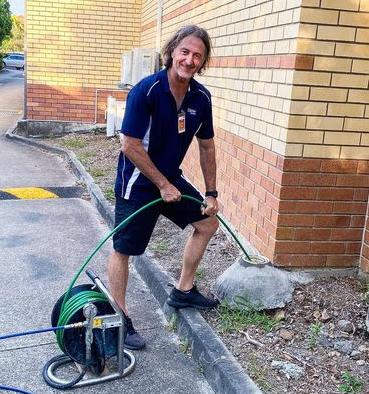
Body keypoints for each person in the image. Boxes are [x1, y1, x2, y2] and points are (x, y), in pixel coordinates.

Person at [108, 25, 220, 351]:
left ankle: (183, 291)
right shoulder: (146, 91)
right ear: (172, 52)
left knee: (207, 222)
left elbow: (207, 147)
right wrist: (161, 184)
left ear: (202, 62)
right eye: (185, 51)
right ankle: (120, 315)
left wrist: (211, 192)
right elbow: (129, 145)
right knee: (124, 249)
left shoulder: (201, 98)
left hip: (170, 179)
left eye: (197, 55)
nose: (189, 59)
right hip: (139, 183)